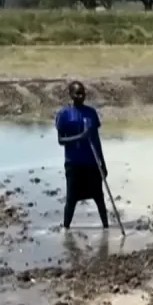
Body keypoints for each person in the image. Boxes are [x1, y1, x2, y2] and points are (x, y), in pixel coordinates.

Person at [55, 80, 109, 229]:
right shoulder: (64, 114)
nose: (81, 96)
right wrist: (81, 136)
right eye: (77, 93)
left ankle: (106, 227)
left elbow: (96, 140)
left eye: (83, 93)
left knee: (99, 197)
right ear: (71, 95)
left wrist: (102, 163)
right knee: (71, 199)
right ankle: (66, 229)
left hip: (91, 162)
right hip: (74, 163)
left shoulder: (91, 113)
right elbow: (61, 140)